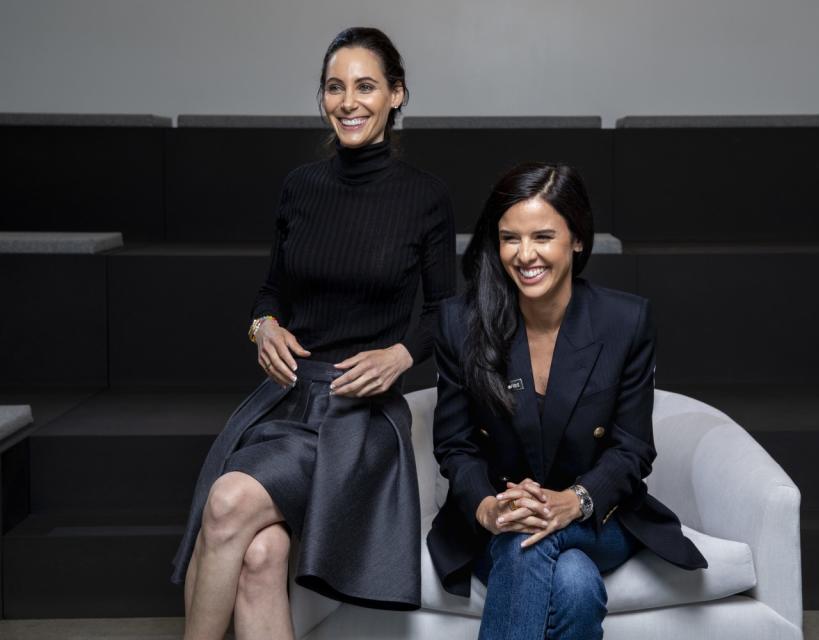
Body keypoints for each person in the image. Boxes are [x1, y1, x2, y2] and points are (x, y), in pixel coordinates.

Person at [171, 27, 456, 639]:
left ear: (396, 95)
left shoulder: (426, 198)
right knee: (261, 555)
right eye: (334, 87)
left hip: (361, 417)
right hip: (289, 402)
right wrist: (263, 326)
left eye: (365, 86)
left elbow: (446, 313)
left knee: (226, 504)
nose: (348, 101)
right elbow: (272, 292)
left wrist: (402, 354)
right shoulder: (300, 187)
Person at [427, 163, 707, 640]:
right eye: (510, 238)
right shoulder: (461, 323)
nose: (525, 254)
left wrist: (572, 502)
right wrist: (491, 508)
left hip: (600, 516)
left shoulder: (626, 321)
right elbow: (456, 446)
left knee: (523, 544)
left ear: (577, 239)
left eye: (542, 236)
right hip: (500, 512)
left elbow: (632, 448)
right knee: (573, 583)